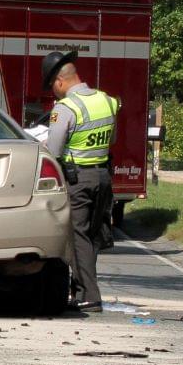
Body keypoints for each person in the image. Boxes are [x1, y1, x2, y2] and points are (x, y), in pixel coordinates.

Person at [41, 50, 119, 313]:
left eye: (52, 86)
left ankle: (89, 295)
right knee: (92, 236)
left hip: (78, 179)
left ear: (60, 82)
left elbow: (54, 150)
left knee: (78, 236)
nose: (53, 92)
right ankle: (81, 290)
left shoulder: (65, 108)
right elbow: (113, 139)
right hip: (103, 177)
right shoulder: (107, 101)